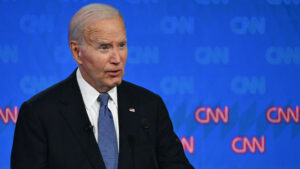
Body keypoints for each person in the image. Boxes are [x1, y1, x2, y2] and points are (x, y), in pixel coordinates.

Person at [11, 3, 194, 169]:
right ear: (77, 52)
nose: (117, 59)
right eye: (104, 47)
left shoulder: (149, 106)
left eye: (121, 45)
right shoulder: (40, 113)